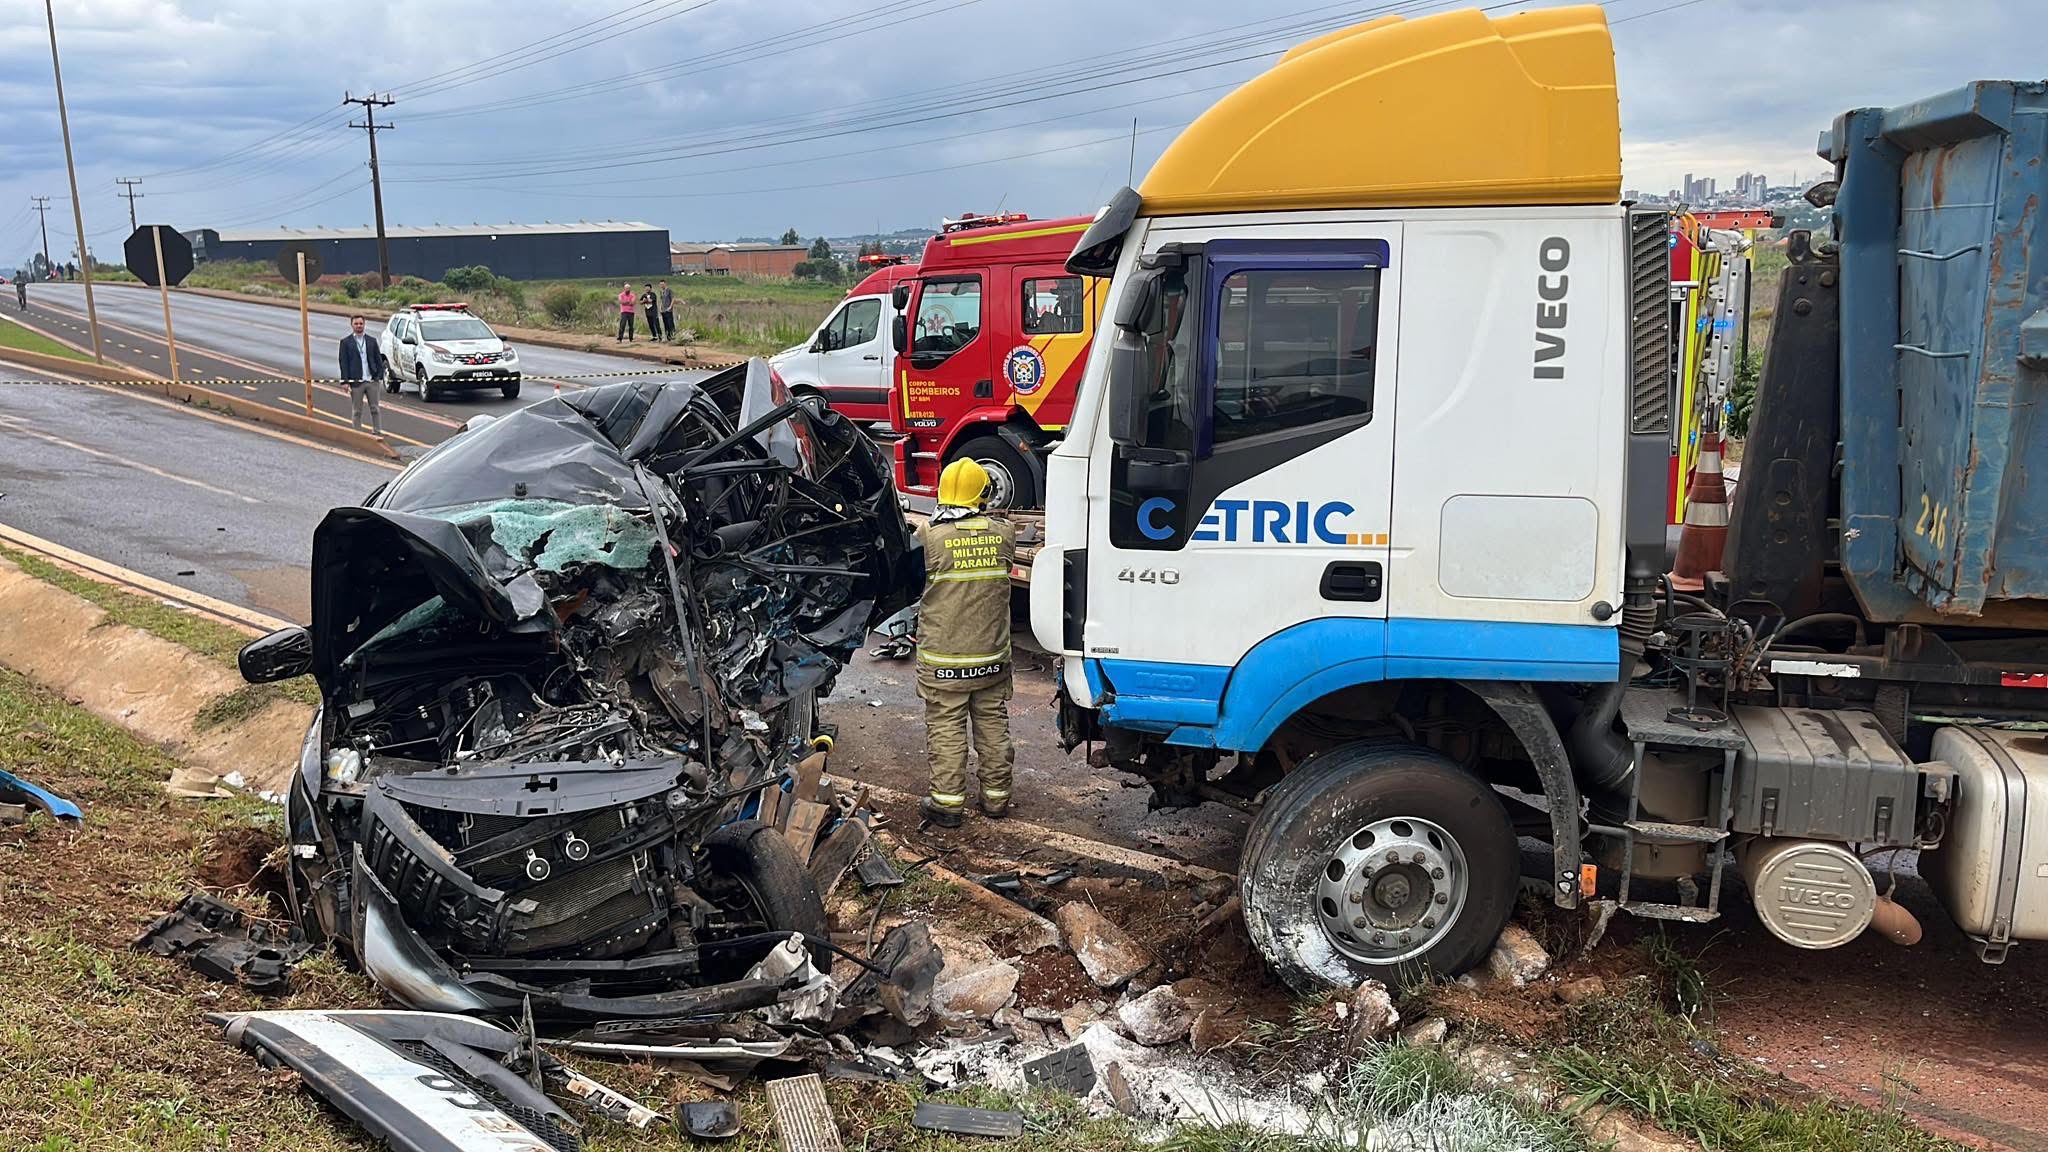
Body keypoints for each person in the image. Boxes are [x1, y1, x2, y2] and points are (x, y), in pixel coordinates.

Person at [913, 458, 1017, 827]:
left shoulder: (929, 537)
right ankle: (996, 799)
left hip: (944, 660)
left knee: (947, 726)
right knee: (992, 723)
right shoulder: (1005, 534)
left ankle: (947, 804)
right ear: (983, 494)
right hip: (991, 657)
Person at [336, 314, 387, 435]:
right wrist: (345, 381)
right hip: (356, 382)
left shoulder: (371, 341)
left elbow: (378, 360)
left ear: (364, 325)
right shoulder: (346, 342)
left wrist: (378, 376)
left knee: (375, 408)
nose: (359, 326)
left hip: (371, 381)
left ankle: (377, 431)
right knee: (357, 410)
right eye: (356, 324)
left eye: (361, 323)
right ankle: (357, 433)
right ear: (352, 325)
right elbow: (343, 363)